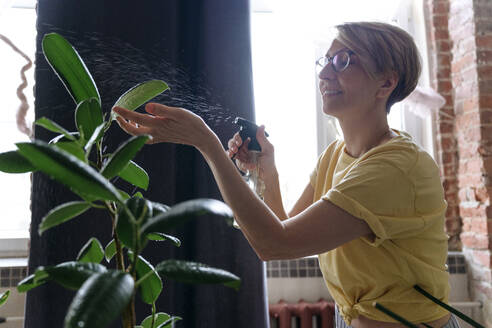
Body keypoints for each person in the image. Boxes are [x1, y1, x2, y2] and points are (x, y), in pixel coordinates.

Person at [112, 21, 461, 328]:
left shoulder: (394, 169)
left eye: (343, 61)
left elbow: (273, 243)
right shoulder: (336, 155)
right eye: (325, 61)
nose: (324, 74)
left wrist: (207, 143)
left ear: (385, 83)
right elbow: (284, 225)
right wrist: (267, 169)